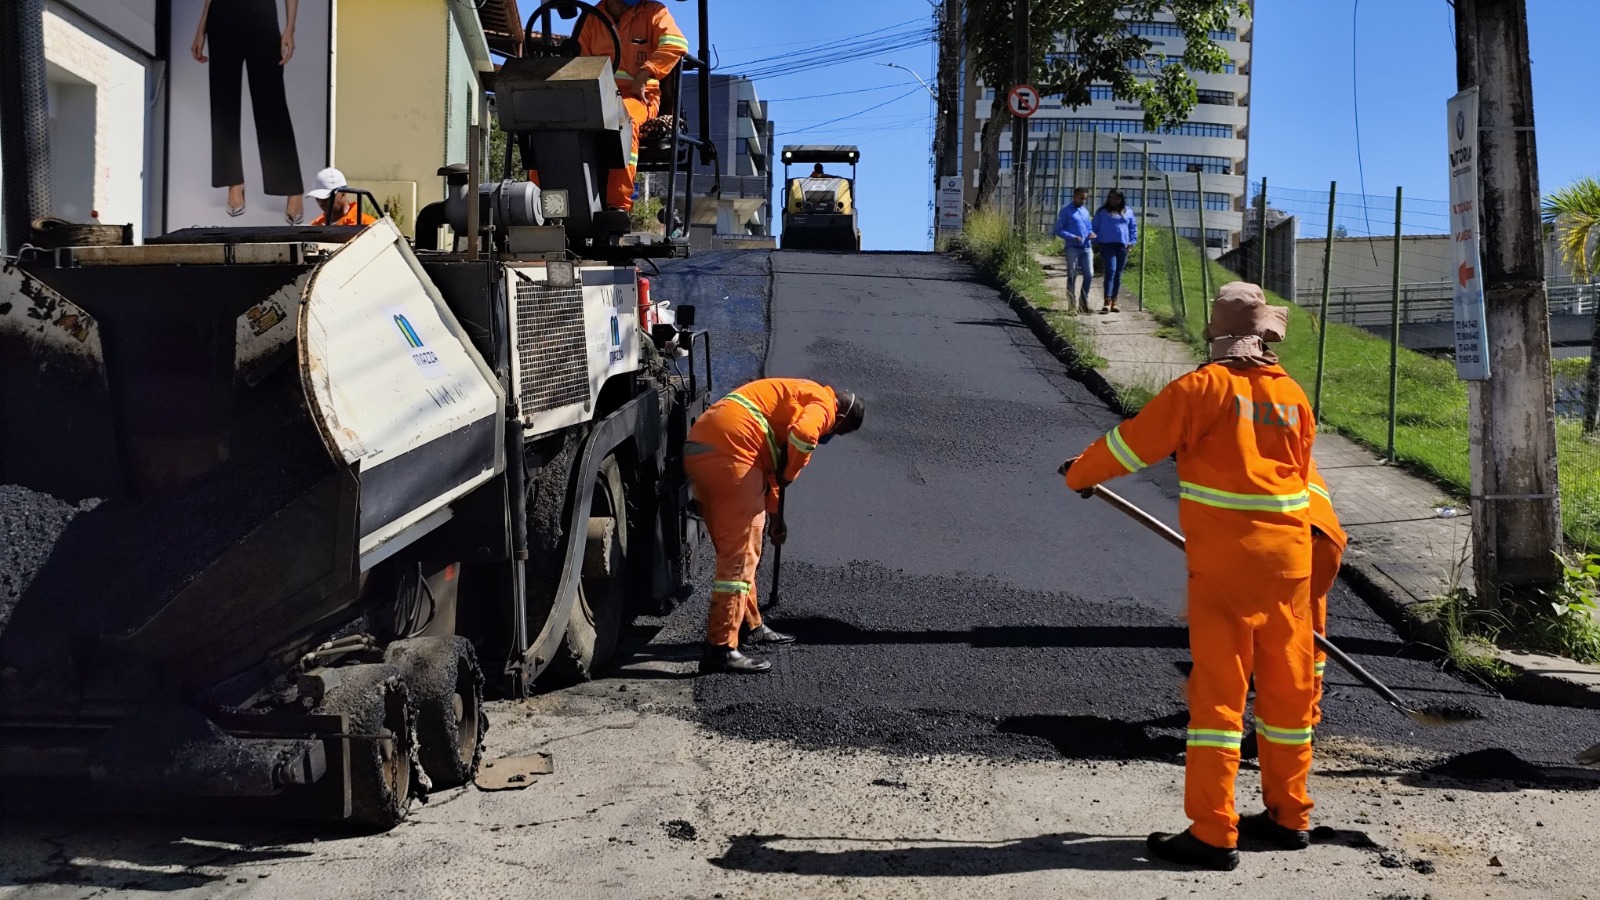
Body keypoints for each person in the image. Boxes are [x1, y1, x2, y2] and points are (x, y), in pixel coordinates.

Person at [1062, 281, 1317, 872]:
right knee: (1287, 692)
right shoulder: (1292, 396)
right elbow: (1302, 473)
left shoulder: (1201, 389)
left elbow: (1131, 445)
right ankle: (1290, 816)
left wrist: (1079, 474)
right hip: (1291, 563)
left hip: (1227, 566)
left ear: (1218, 336)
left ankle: (1212, 832)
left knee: (1219, 698)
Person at [684, 379, 865, 674]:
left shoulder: (797, 396)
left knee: (735, 550)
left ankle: (750, 624)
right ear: (841, 417)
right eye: (837, 431)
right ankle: (721, 648)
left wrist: (775, 516)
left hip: (705, 445)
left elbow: (771, 469)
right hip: (734, 451)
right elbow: (803, 437)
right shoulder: (826, 405)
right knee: (740, 556)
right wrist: (792, 472)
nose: (830, 434)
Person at [192, 0, 304, 224]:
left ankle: (292, 189)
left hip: (261, 15)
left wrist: (290, 28)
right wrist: (201, 29)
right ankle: (234, 183)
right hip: (221, 18)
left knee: (271, 103)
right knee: (223, 104)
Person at [576, 0, 688, 212]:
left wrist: (646, 73)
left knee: (624, 120)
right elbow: (579, 62)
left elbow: (676, 44)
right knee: (553, 120)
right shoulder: (591, 18)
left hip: (639, 96)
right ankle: (541, 201)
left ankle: (618, 206)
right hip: (597, 97)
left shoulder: (654, 12)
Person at [1091, 189, 1138, 314]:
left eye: (1116, 198)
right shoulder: (1102, 212)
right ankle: (1106, 302)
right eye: (1111, 198)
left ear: (1121, 199)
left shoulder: (1127, 211)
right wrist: (1094, 241)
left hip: (1122, 246)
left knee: (1118, 274)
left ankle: (1114, 302)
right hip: (1107, 245)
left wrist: (1131, 242)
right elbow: (1094, 227)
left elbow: (1133, 228)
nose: (1113, 201)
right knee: (1110, 271)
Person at [1053, 188, 1095, 314]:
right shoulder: (1066, 211)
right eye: (1081, 198)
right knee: (1072, 275)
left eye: (1085, 199)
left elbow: (1089, 227)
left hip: (1086, 247)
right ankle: (1072, 306)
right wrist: (1072, 237)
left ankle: (1083, 304)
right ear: (1075, 197)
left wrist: (1091, 233)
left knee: (1089, 275)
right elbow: (1058, 230)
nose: (1083, 201)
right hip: (1072, 248)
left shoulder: (1085, 212)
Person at [306, 168, 378, 226]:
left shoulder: (367, 224)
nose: (321, 202)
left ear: (343, 193)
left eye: (327, 197)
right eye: (317, 198)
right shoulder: (316, 225)